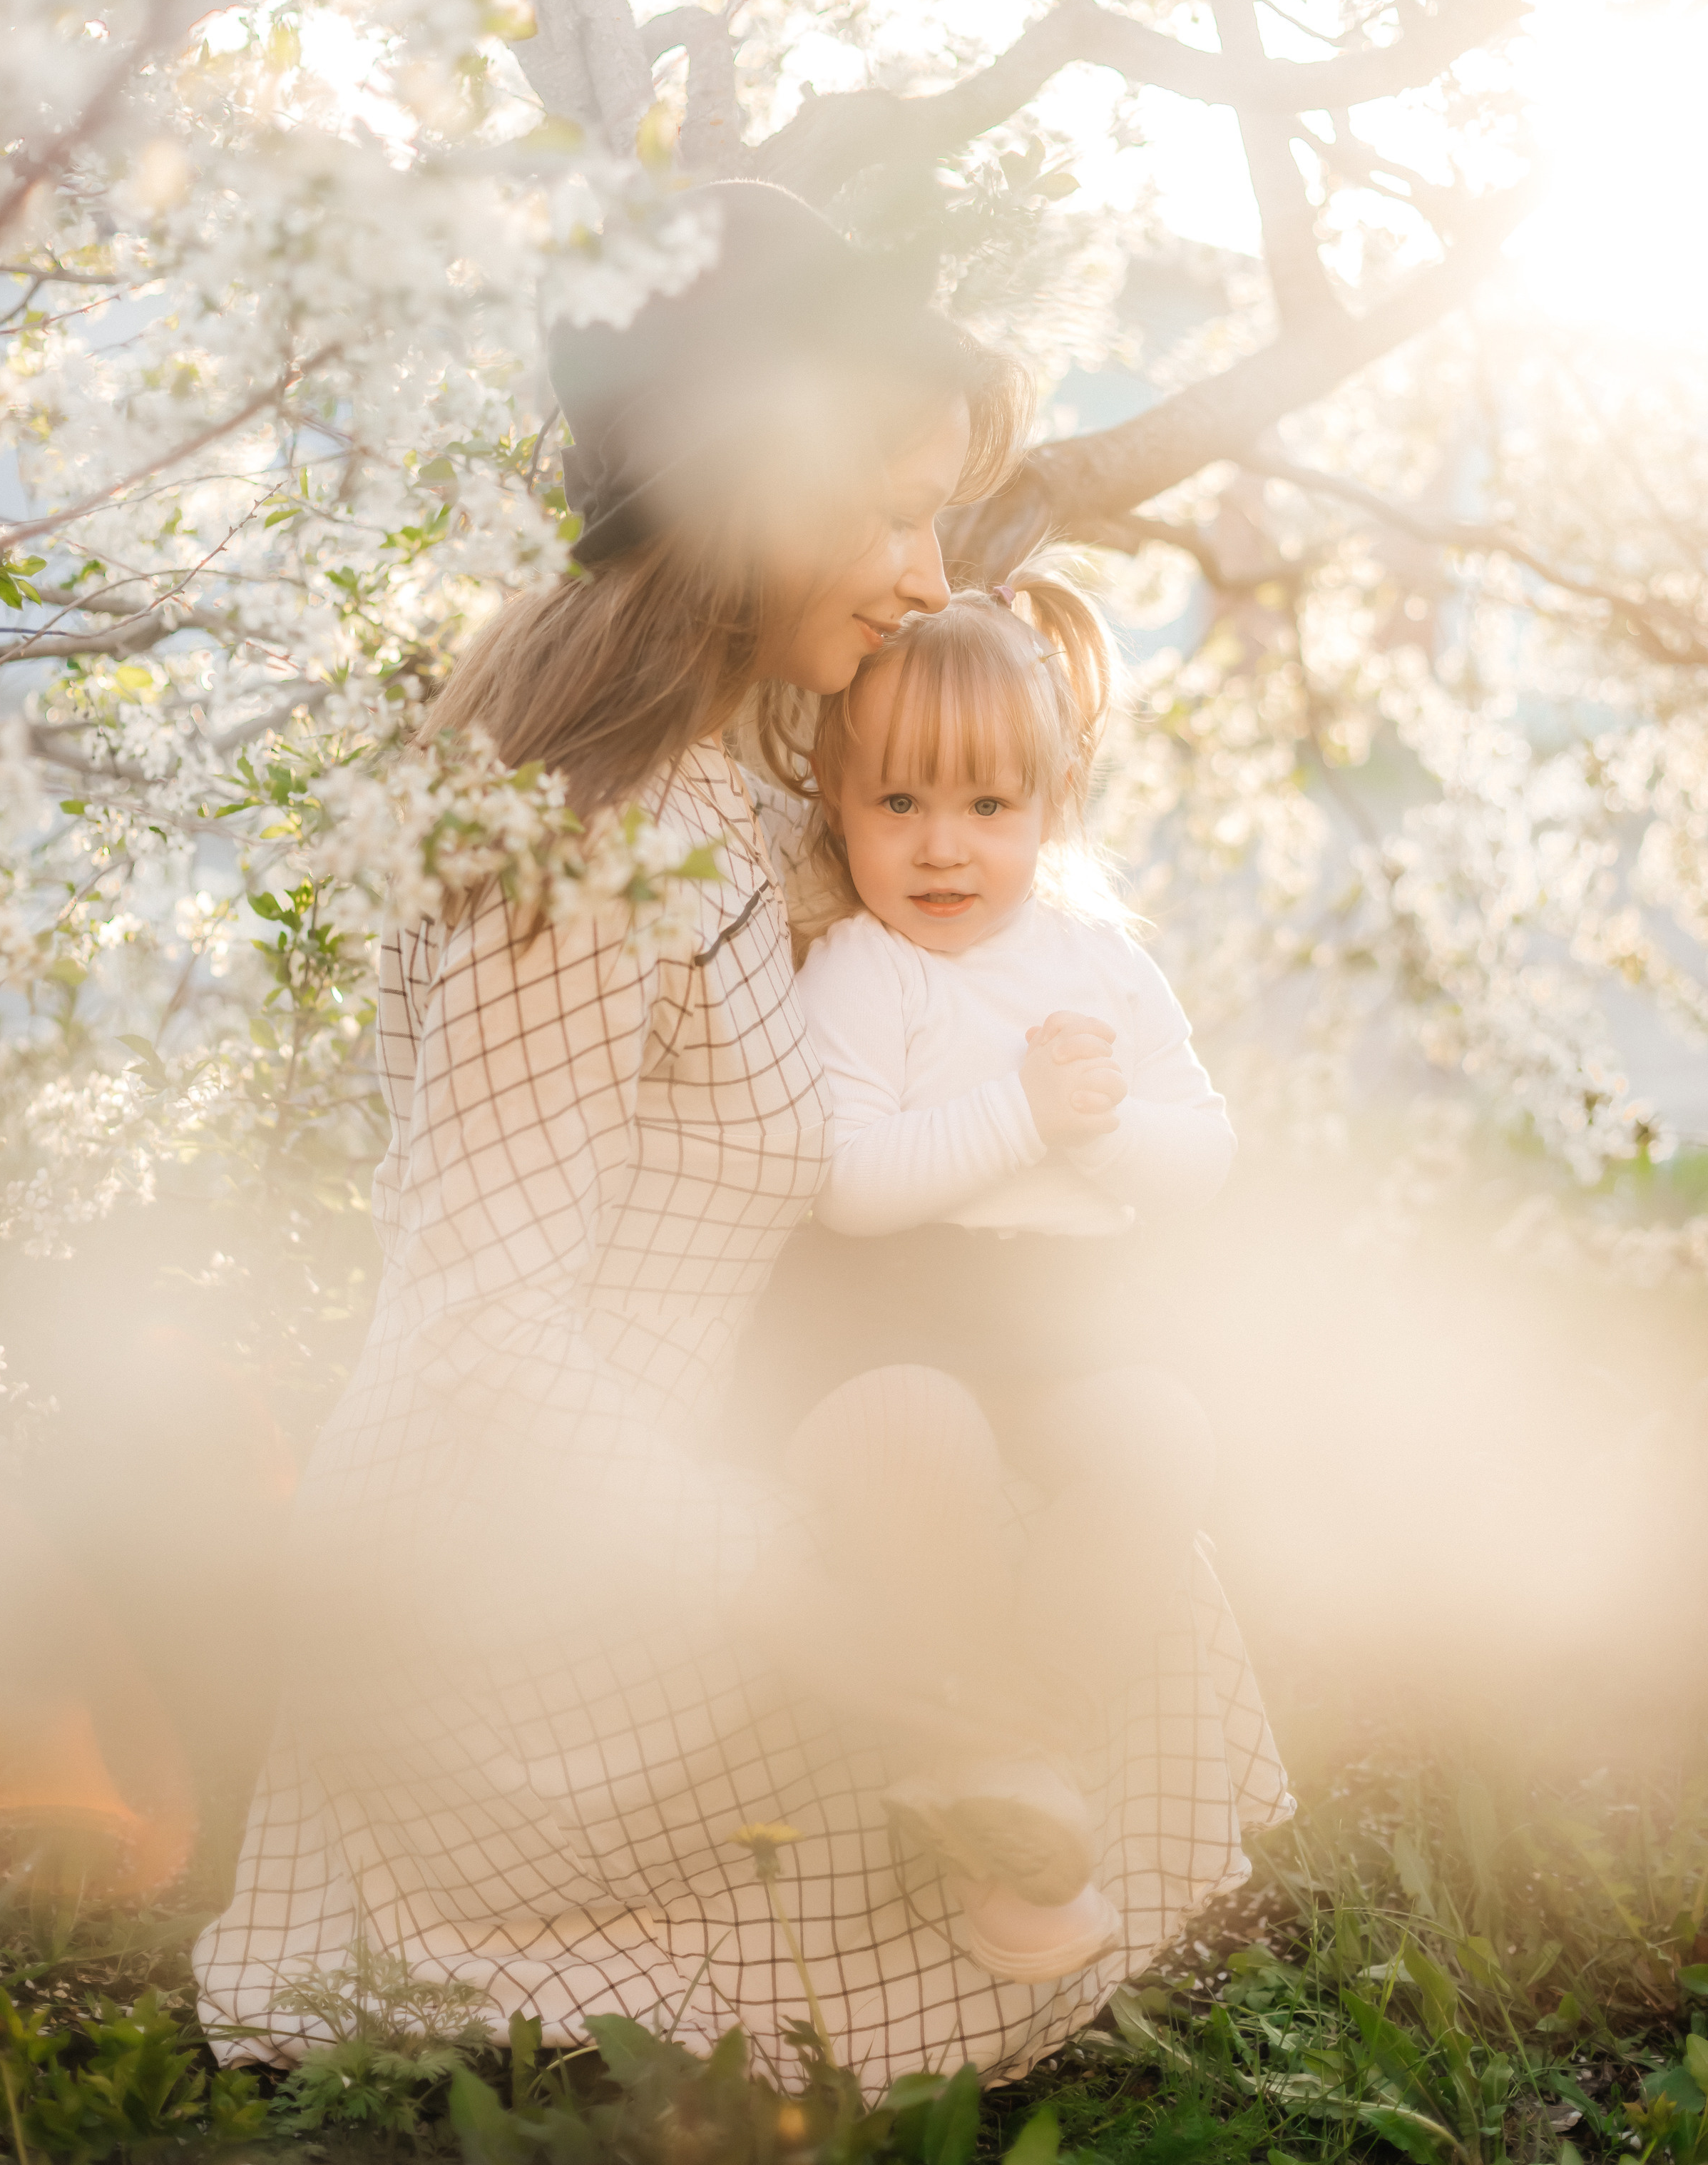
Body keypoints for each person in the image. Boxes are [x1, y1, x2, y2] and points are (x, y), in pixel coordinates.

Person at [195, 183, 1288, 2097]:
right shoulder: (575, 860)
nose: (921, 569)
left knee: (1097, 1477)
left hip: (701, 1460)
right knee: (949, 1654)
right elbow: (484, 1333)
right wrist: (782, 1576)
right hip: (548, 1569)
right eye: (882, 509)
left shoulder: (747, 768)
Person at [728, 570, 1278, 1991]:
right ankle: (983, 1773)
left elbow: (1204, 1150)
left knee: (1162, 1436)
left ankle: (1033, 1749)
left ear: (1055, 799)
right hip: (890, 1322)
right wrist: (1029, 1118)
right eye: (897, 805)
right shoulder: (860, 969)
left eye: (988, 807)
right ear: (832, 798)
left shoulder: (1098, 965)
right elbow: (848, 1185)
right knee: (920, 1429)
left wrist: (1105, 1136)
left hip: (1065, 1325)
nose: (942, 848)